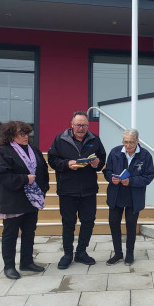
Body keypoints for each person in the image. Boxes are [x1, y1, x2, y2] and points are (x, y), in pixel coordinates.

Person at [48, 111, 106, 269]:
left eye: (84, 125)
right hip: (67, 189)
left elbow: (102, 159)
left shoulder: (95, 139)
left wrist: (97, 164)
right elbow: (52, 160)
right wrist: (67, 164)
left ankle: (81, 252)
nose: (81, 128)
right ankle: (67, 254)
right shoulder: (60, 139)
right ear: (71, 124)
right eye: (78, 125)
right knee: (68, 223)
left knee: (88, 222)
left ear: (88, 125)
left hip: (88, 189)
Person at [0, 121, 49, 280]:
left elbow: (43, 170)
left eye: (27, 133)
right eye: (21, 134)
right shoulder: (3, 152)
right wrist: (24, 179)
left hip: (32, 200)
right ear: (11, 135)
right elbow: (1, 175)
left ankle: (27, 261)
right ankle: (9, 266)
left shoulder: (34, 150)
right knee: (10, 234)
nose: (26, 137)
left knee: (29, 232)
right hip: (12, 200)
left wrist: (43, 190)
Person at [103, 129, 154, 266]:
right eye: (125, 142)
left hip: (134, 197)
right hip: (116, 195)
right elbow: (107, 171)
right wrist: (111, 178)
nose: (128, 145)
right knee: (114, 224)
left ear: (137, 141)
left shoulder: (145, 155)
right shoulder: (115, 152)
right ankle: (118, 253)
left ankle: (130, 254)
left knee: (131, 226)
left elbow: (149, 176)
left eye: (131, 142)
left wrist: (131, 181)